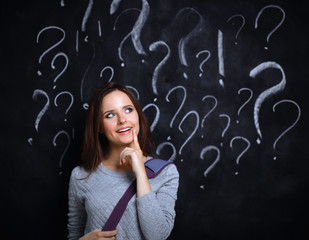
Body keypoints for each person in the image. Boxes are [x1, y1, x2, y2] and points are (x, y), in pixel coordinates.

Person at [68, 82, 179, 240]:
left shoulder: (166, 173)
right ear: (99, 126)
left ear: (138, 116)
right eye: (110, 115)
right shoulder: (80, 175)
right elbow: (74, 233)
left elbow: (157, 236)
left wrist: (140, 171)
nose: (122, 120)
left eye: (128, 110)